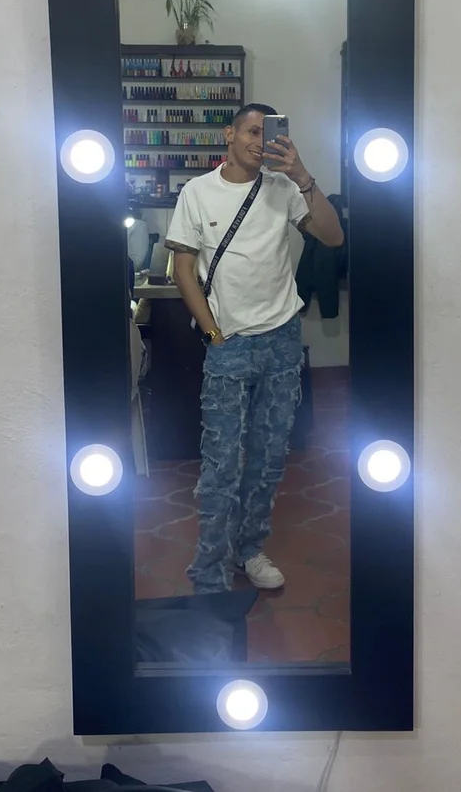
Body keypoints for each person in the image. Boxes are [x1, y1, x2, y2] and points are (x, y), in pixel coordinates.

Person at [165, 104, 345, 594]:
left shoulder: (284, 188)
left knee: (268, 459)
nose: (259, 141)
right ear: (230, 133)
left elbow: (333, 236)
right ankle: (209, 568)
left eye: (269, 134)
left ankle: (248, 548)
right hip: (229, 344)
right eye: (251, 131)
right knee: (221, 462)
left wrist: (303, 175)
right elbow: (183, 270)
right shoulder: (197, 192)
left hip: (282, 342)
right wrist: (212, 334)